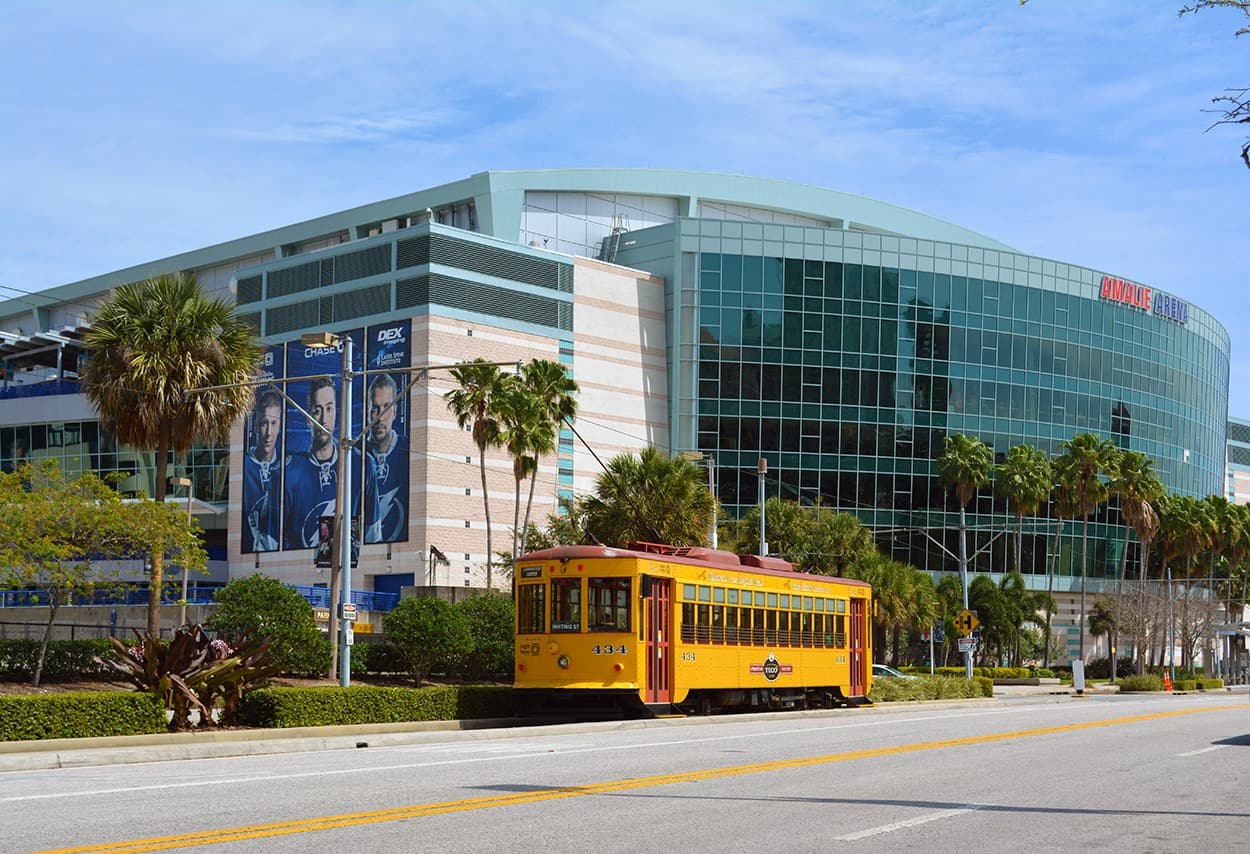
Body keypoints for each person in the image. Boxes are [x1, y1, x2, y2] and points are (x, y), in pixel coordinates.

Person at [283, 377, 381, 551]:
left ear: (336, 412)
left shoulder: (362, 465)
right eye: (317, 411)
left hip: (350, 566)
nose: (323, 419)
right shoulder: (289, 471)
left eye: (329, 409)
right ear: (307, 417)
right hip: (301, 567)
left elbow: (373, 532)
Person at [365, 373, 409, 542]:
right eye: (375, 408)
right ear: (367, 411)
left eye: (386, 408)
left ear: (395, 412)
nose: (380, 417)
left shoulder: (408, 450)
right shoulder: (353, 454)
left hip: (402, 552)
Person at [241, 389, 282, 552]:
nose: (269, 433)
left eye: (273, 424)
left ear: (280, 425)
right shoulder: (244, 466)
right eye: (264, 423)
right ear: (256, 425)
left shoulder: (289, 467)